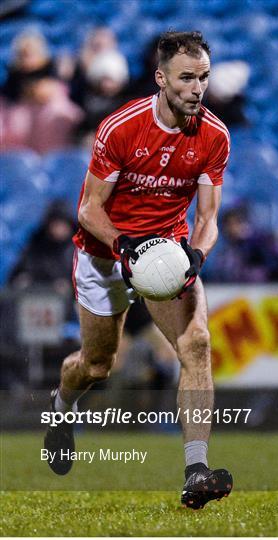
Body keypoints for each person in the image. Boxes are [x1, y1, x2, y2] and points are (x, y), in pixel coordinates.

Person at [44, 31, 233, 510]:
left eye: (204, 78)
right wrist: (124, 246)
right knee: (97, 365)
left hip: (166, 251)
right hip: (107, 253)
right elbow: (89, 210)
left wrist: (197, 255)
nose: (197, 88)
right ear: (161, 77)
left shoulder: (214, 136)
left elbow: (208, 219)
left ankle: (195, 470)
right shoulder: (121, 127)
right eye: (187, 77)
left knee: (196, 343)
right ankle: (62, 410)